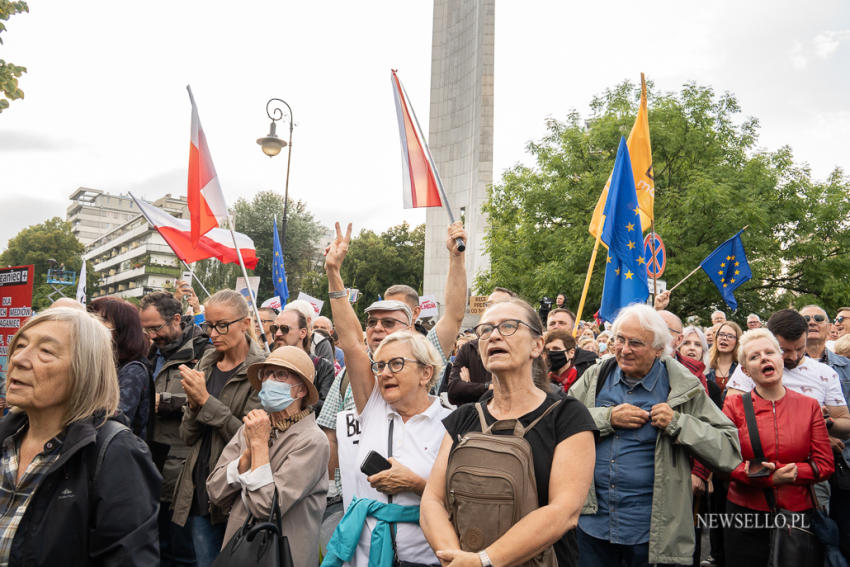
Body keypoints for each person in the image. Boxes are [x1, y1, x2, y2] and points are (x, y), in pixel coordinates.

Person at [420, 297, 597, 567]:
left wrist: (484, 561)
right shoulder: (465, 417)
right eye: (485, 330)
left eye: (509, 326)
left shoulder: (567, 416)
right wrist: (455, 558)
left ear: (537, 346)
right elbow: (432, 499)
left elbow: (564, 512)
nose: (493, 336)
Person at [570, 304, 742, 566]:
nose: (624, 349)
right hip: (593, 527)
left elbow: (729, 450)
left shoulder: (683, 387)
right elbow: (563, 426)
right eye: (620, 340)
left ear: (660, 349)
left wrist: (679, 423)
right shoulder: (596, 376)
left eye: (636, 343)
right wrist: (607, 418)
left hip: (651, 535)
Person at [0, 307, 161, 565]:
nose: (19, 359)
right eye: (20, 345)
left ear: (83, 371)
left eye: (46, 351)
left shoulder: (115, 453)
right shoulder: (7, 439)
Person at [320, 326, 449, 564]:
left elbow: (462, 501)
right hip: (364, 558)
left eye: (396, 364)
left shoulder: (451, 424)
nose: (385, 373)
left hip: (425, 559)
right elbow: (351, 344)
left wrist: (417, 485)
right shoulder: (372, 409)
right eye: (380, 366)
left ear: (426, 373)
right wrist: (336, 287)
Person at [207, 346, 330, 567]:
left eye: (280, 375)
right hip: (239, 552)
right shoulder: (254, 426)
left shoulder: (313, 440)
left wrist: (260, 448)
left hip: (282, 556)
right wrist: (245, 458)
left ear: (301, 390)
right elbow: (215, 490)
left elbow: (266, 507)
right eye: (267, 374)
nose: (269, 380)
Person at [721, 328, 834, 566]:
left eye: (769, 352)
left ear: (780, 357)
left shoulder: (809, 406)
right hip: (745, 515)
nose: (764, 358)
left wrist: (793, 472)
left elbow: (825, 464)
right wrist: (769, 478)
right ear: (744, 370)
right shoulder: (733, 406)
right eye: (754, 356)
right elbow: (725, 461)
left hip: (796, 517)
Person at [171, 290, 266, 567]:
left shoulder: (261, 370)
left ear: (245, 323)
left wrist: (205, 401)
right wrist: (193, 405)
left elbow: (251, 437)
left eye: (222, 325)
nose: (213, 333)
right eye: (209, 325)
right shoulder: (208, 362)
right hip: (202, 488)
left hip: (238, 492)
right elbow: (187, 436)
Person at [141, 290, 212, 567]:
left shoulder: (203, 351)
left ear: (176, 320)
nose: (151, 336)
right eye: (145, 329)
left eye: (156, 328)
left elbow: (211, 400)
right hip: (148, 457)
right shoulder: (146, 352)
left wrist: (167, 403)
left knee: (180, 549)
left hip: (183, 464)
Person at [88, 297, 152, 439]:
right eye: (92, 317)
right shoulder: (97, 363)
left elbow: (112, 420)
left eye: (104, 320)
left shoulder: (133, 371)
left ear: (123, 329)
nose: (96, 324)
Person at [271, 306, 335, 415]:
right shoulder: (267, 364)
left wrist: (294, 398)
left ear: (303, 333)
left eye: (285, 329)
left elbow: (326, 409)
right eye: (274, 328)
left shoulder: (323, 367)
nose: (278, 334)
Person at [705, 321, 742, 391]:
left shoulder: (742, 368)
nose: (724, 338)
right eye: (721, 334)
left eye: (730, 336)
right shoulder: (705, 364)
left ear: (737, 341)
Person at [545, 328, 580, 393]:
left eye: (556, 349)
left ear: (571, 353)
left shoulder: (580, 379)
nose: (550, 353)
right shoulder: (543, 379)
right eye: (547, 350)